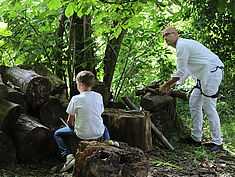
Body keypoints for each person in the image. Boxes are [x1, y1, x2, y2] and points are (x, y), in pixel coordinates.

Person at [159, 27, 224, 151]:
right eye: (163, 36)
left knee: (209, 108)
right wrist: (170, 85)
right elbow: (187, 70)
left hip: (211, 73)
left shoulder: (182, 45)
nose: (165, 37)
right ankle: (196, 138)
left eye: (168, 34)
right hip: (203, 76)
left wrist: (165, 86)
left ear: (176, 34)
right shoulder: (182, 46)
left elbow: (180, 71)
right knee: (194, 102)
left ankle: (217, 142)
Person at [54, 70, 110, 172]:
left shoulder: (76, 99)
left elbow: (69, 120)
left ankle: (68, 156)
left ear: (81, 84)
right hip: (98, 132)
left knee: (57, 134)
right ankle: (108, 143)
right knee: (104, 127)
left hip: (81, 134)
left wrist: (71, 126)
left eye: (76, 84)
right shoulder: (98, 96)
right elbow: (99, 113)